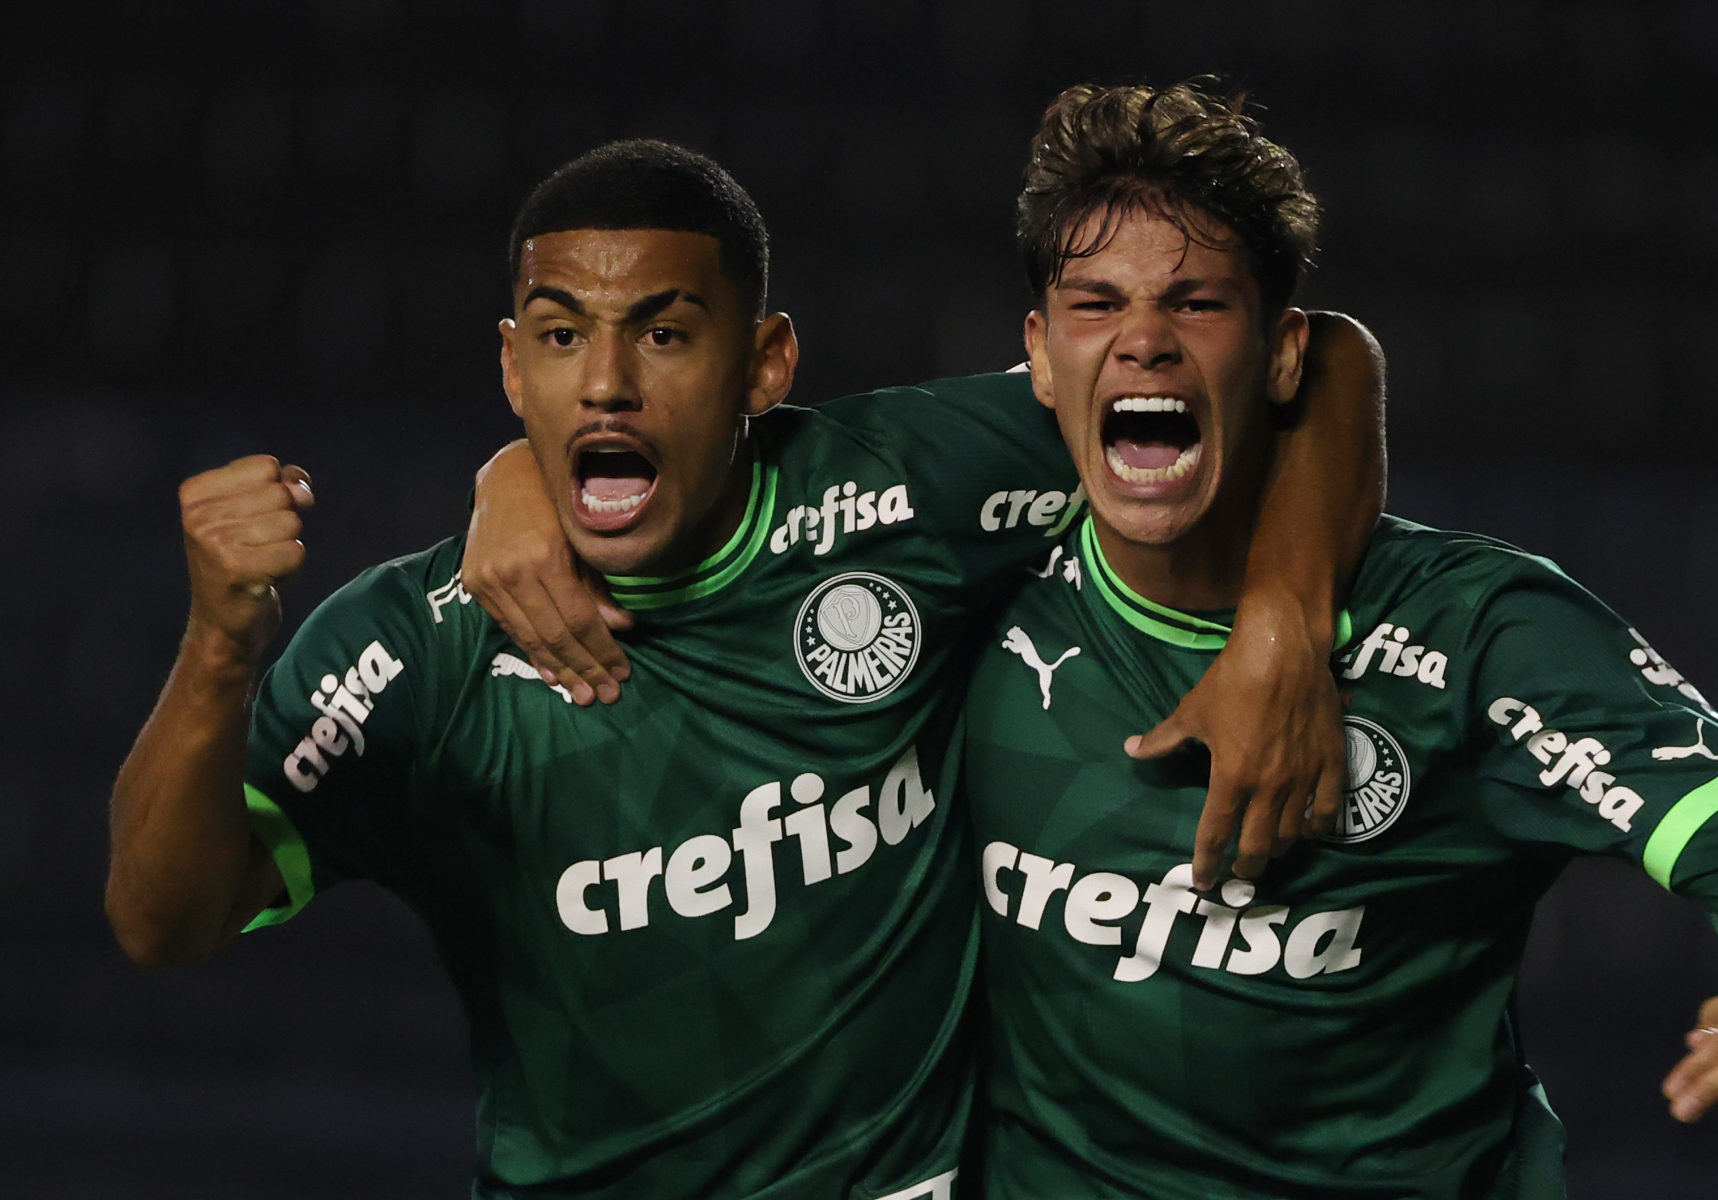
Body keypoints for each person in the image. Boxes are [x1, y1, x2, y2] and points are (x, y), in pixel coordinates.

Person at [106, 138, 1383, 1198]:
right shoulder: (414, 645)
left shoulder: (906, 489)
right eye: (561, 339)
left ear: (764, 363)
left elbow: (1317, 362)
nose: (606, 383)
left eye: (662, 336)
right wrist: (223, 649)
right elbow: (160, 923)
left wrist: (1282, 624)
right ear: (511, 366)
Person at [956, 82, 1718, 1198]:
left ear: (1283, 352)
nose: (1143, 341)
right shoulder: (969, 577)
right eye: (1095, 306)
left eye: (1194, 304)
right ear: (1038, 356)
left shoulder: (1475, 631)